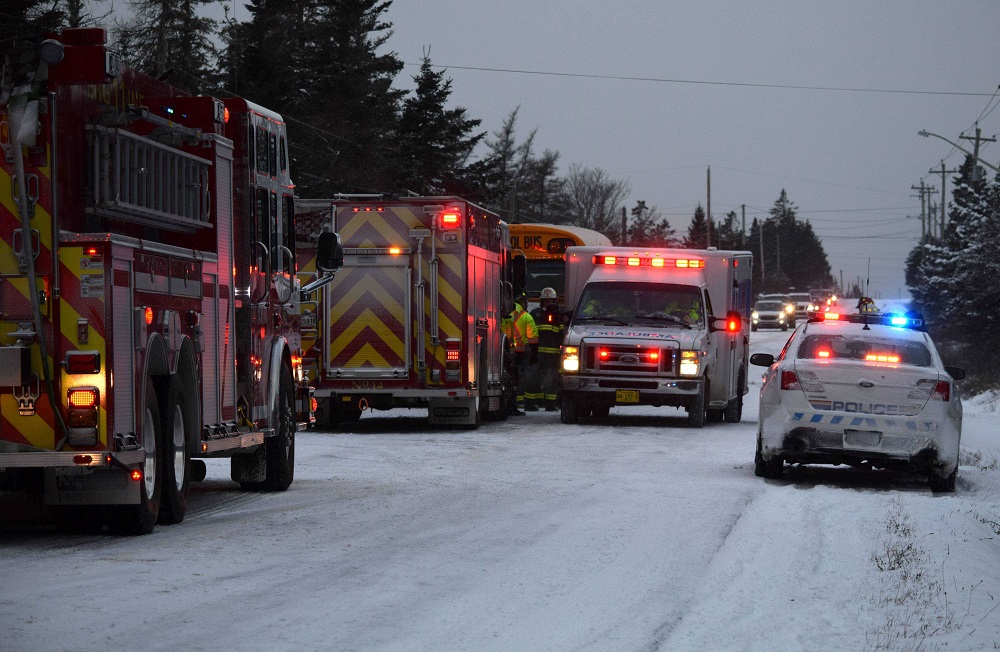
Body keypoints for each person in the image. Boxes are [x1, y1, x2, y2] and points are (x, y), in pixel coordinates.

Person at [526, 287, 566, 411]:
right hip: (537, 353)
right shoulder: (535, 314)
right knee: (533, 378)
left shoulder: (559, 316)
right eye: (545, 301)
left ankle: (550, 405)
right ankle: (530, 404)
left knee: (552, 379)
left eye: (550, 301)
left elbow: (562, 335)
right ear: (541, 301)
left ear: (555, 301)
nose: (548, 303)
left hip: (553, 355)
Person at [501, 293, 538, 416]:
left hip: (504, 353)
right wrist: (534, 354)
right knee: (516, 381)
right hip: (520, 354)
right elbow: (533, 338)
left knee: (507, 380)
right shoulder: (526, 317)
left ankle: (508, 405)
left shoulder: (505, 315)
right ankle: (512, 406)